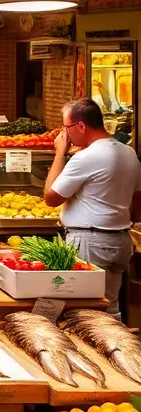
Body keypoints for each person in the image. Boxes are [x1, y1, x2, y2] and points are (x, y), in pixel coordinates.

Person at [44, 98, 141, 309]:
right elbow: (137, 199)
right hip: (120, 240)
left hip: (90, 241)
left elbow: (51, 198)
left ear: (81, 126)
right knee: (110, 305)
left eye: (66, 128)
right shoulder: (129, 152)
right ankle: (117, 341)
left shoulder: (86, 158)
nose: (65, 134)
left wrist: (60, 153)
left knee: (86, 308)